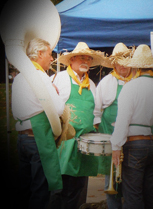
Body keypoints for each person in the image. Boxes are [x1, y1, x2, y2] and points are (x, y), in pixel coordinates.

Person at [110, 44, 153, 209]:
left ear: (136, 69)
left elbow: (123, 120)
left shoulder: (130, 87)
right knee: (152, 195)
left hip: (135, 146)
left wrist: (116, 146)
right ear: (152, 69)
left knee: (133, 196)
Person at [12, 38, 65, 209]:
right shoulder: (41, 77)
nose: (52, 59)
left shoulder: (20, 77)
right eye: (50, 54)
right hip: (38, 139)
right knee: (40, 192)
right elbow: (58, 109)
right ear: (39, 54)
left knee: (23, 189)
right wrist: (57, 94)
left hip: (22, 139)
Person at [49, 42, 104, 209]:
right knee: (60, 187)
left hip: (84, 143)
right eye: (82, 57)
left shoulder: (92, 85)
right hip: (64, 142)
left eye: (88, 58)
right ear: (72, 60)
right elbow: (50, 108)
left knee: (79, 186)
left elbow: (95, 113)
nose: (85, 61)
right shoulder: (59, 78)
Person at [94, 42, 134, 209]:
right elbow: (97, 112)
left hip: (133, 138)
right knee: (111, 180)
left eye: (126, 61)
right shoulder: (106, 82)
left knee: (132, 180)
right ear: (114, 64)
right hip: (110, 136)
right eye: (119, 61)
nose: (122, 65)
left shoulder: (138, 81)